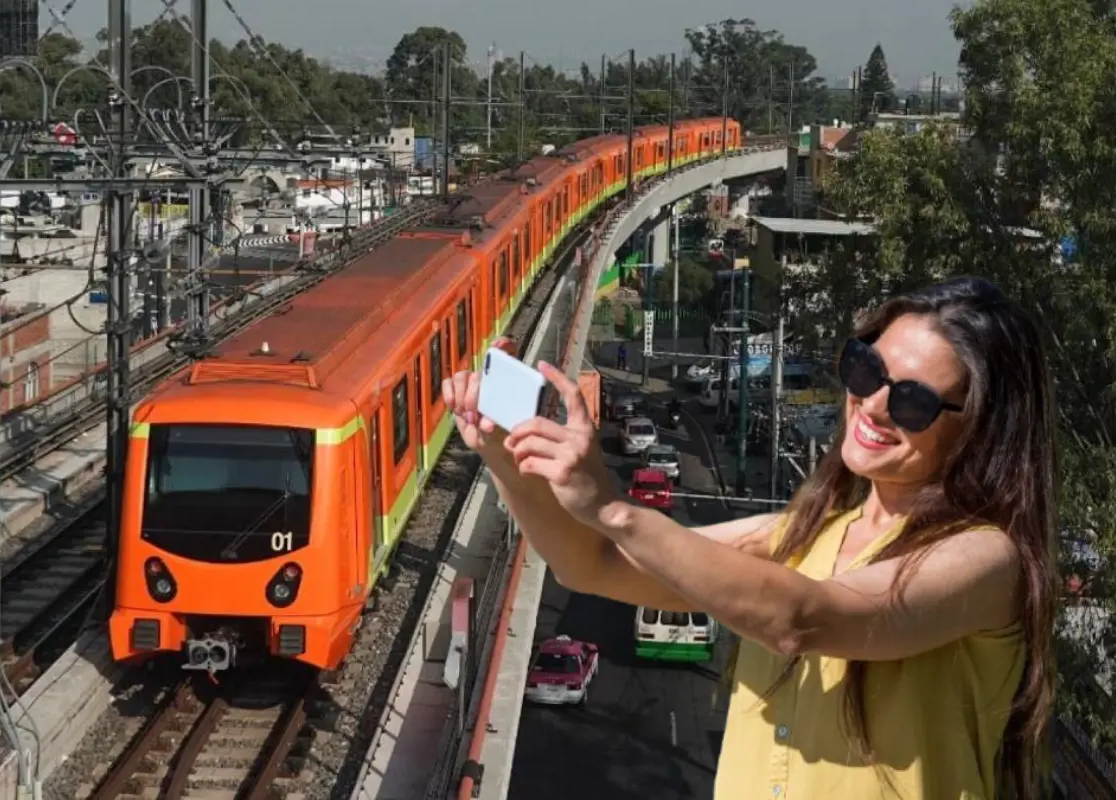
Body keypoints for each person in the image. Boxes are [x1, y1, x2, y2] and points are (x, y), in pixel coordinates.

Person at [443, 277, 1057, 800]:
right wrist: (506, 458)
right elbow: (595, 566)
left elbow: (804, 618)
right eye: (865, 367)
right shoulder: (800, 533)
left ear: (979, 428)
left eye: (914, 401)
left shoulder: (985, 559)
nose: (871, 405)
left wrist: (614, 507)